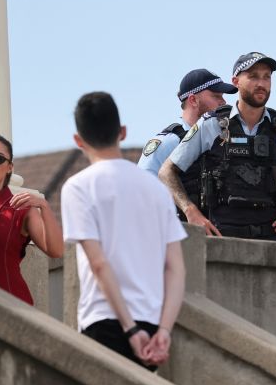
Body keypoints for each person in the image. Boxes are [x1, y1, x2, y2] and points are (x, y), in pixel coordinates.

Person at [62, 92, 187, 370]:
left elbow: (98, 263)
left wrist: (130, 330)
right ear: (123, 132)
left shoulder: (78, 187)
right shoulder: (156, 189)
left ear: (78, 141)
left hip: (103, 319)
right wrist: (164, 331)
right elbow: (176, 269)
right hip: (152, 321)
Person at [159, 51, 276, 241]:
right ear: (235, 81)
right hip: (221, 240)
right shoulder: (211, 125)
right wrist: (190, 211)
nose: (261, 83)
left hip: (271, 242)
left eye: (266, 77)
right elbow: (167, 171)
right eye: (253, 76)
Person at [0, 134, 64, 305]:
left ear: (10, 167)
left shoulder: (22, 209)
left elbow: (56, 251)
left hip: (12, 306)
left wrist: (44, 206)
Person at [137, 69, 237, 220]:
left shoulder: (221, 141)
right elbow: (140, 192)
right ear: (193, 100)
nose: (223, 102)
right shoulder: (170, 142)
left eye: (222, 97)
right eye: (216, 96)